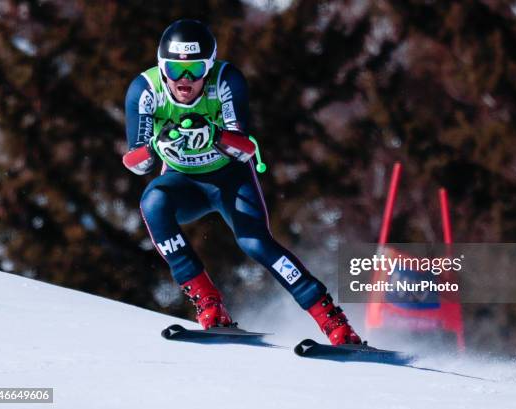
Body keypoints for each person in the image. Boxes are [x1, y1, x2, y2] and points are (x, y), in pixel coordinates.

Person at [122, 19, 361, 345]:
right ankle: (209, 305)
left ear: (209, 65)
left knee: (255, 243)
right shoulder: (145, 90)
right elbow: (134, 162)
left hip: (228, 178)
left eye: (195, 68)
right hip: (182, 182)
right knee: (153, 203)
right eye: (176, 70)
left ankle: (334, 322)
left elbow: (247, 148)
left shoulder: (225, 80)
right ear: (162, 67)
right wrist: (154, 147)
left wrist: (215, 135)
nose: (186, 80)